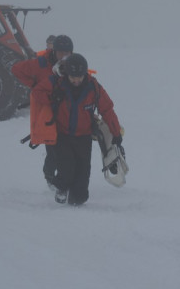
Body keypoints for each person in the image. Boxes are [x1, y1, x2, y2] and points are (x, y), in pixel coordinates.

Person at [33, 53, 123, 206]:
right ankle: (60, 187)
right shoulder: (57, 83)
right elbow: (36, 93)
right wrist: (53, 96)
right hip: (62, 135)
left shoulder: (93, 87)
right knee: (67, 168)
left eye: (80, 76)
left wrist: (116, 133)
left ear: (85, 73)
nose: (77, 80)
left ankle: (76, 198)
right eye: (73, 76)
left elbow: (107, 109)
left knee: (81, 190)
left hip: (84, 137)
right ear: (67, 73)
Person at [12, 35, 73, 188]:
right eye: (61, 52)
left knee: (68, 148)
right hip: (48, 114)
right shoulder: (40, 63)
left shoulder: (73, 65)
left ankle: (65, 178)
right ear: (54, 51)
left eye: (68, 53)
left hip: (67, 114)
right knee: (52, 148)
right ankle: (50, 176)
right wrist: (34, 85)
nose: (64, 56)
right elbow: (16, 69)